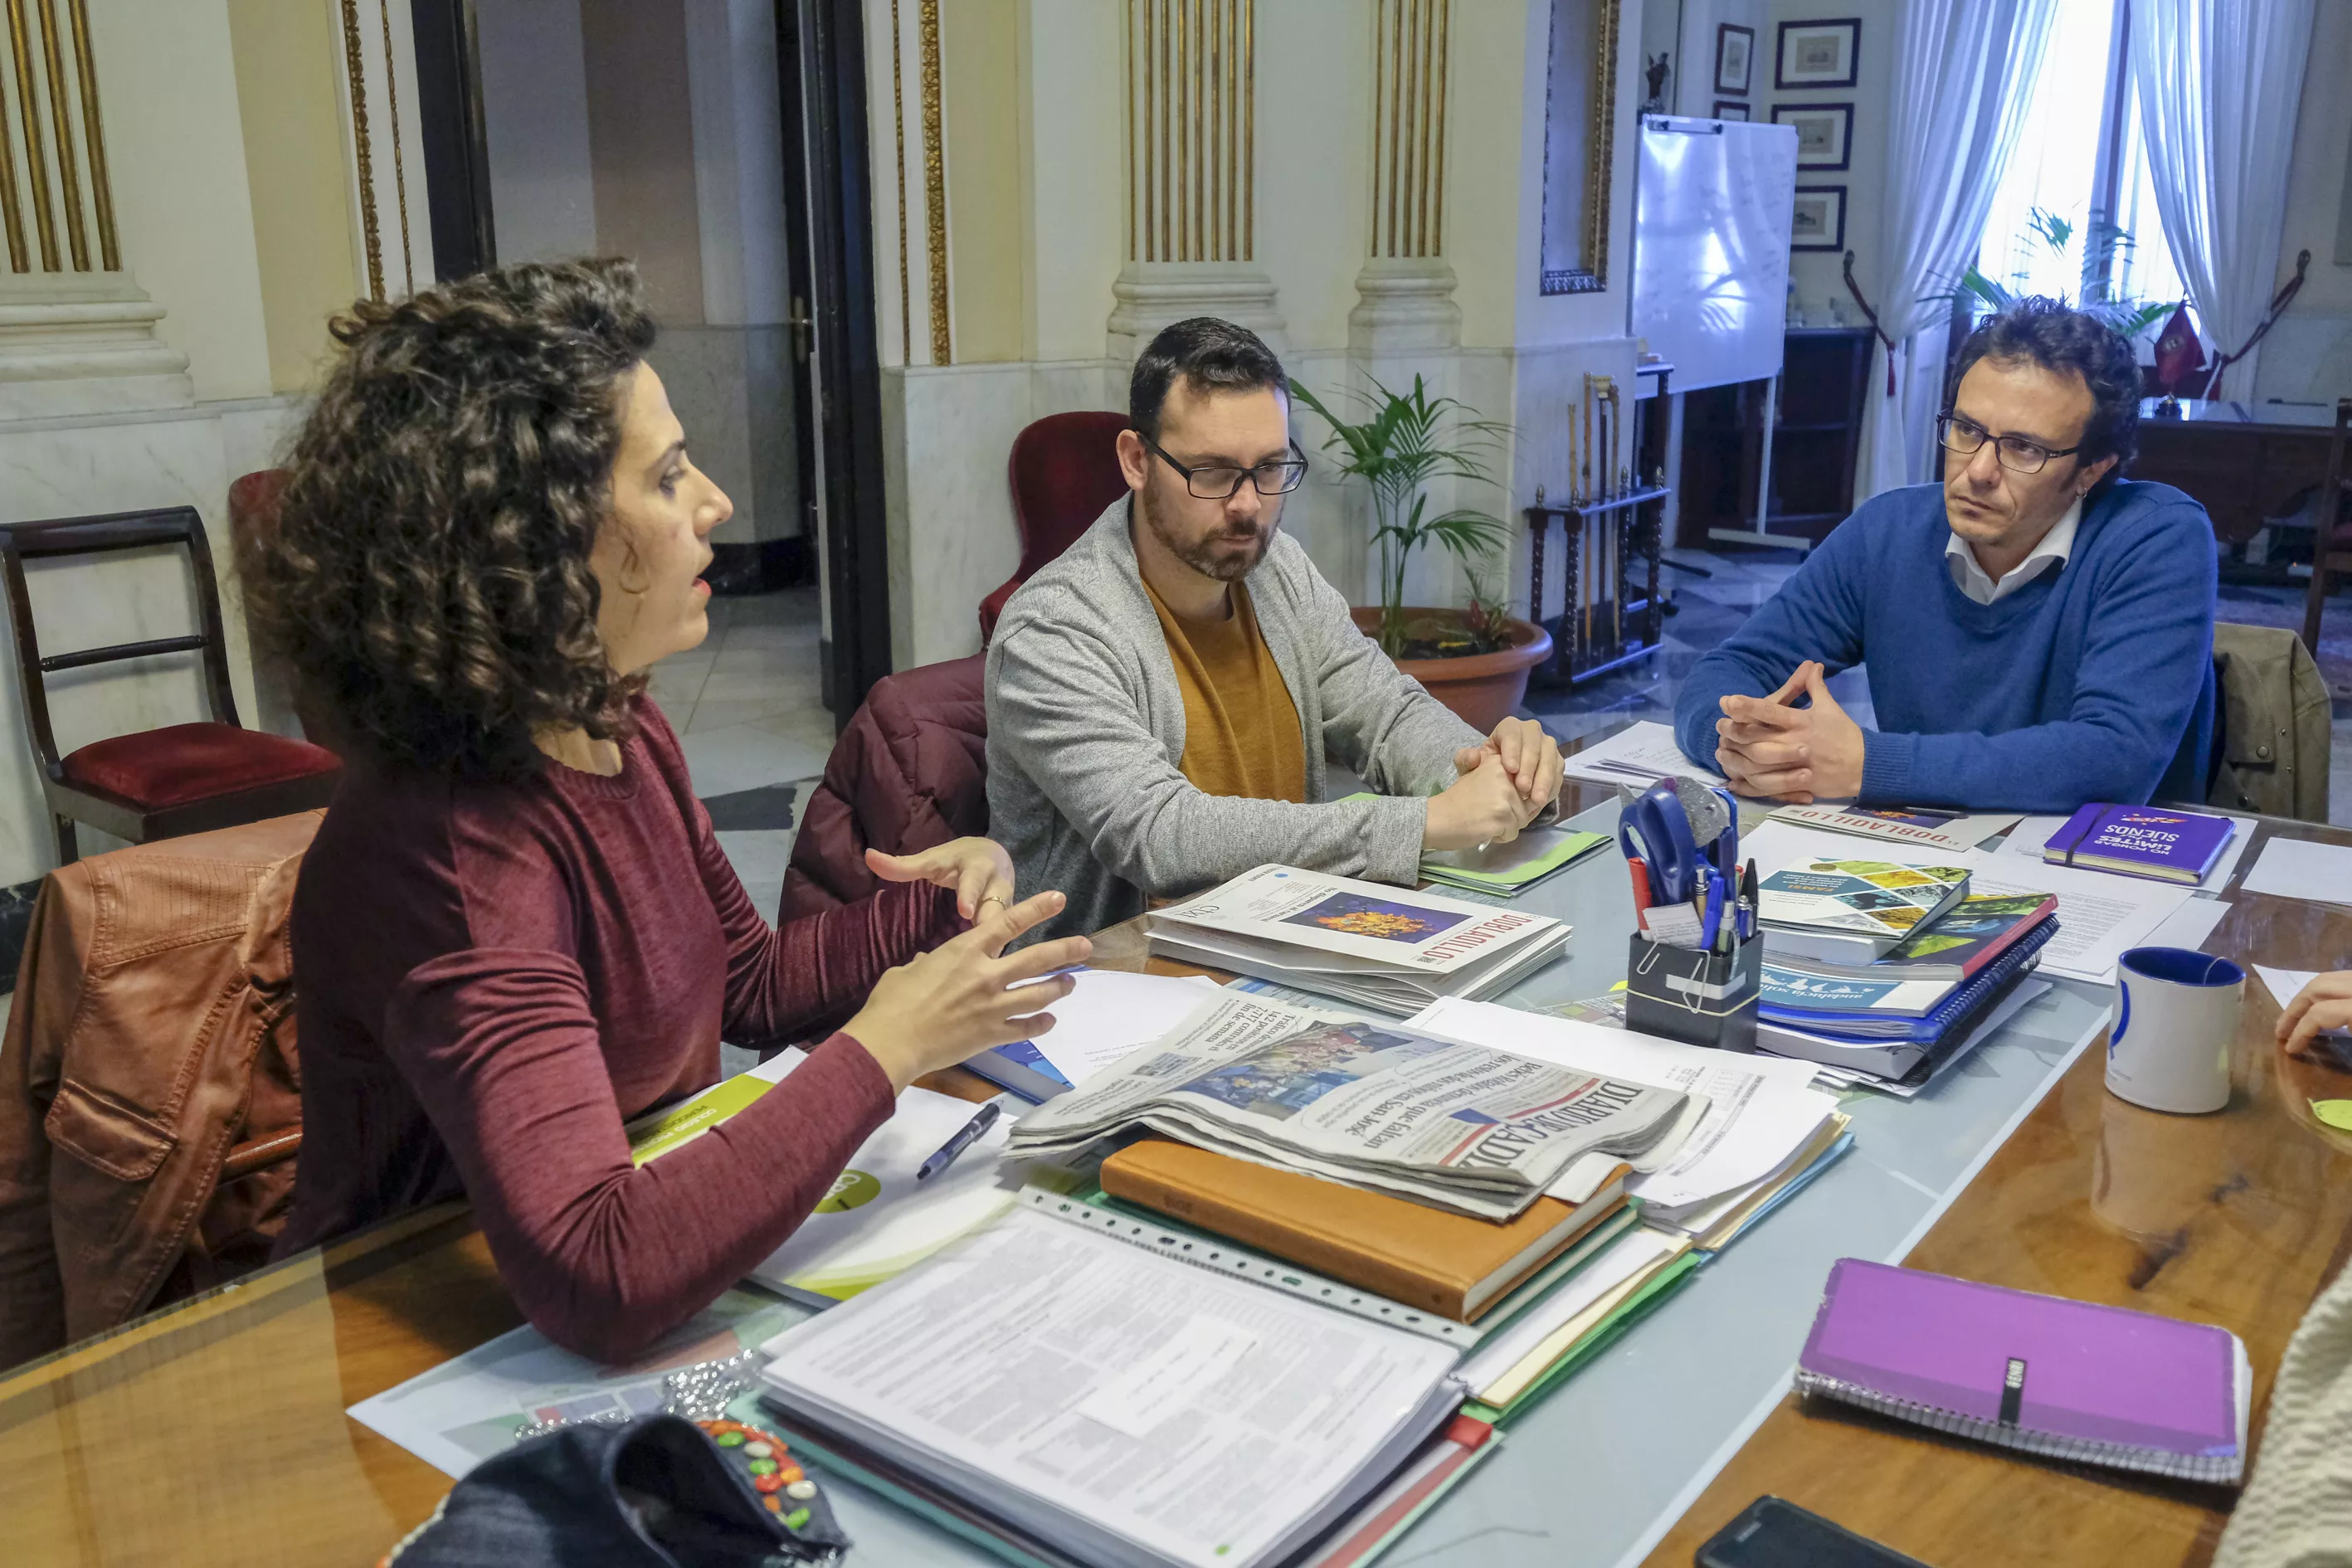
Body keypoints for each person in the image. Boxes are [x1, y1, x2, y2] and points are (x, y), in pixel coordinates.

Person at [245, 260, 1089, 1361]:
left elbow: (738, 982)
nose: (716, 505)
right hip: (418, 1339)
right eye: (669, 476)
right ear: (528, 542)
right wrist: (884, 1048)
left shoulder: (614, 719)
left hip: (594, 1284)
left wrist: (929, 917)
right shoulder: (451, 848)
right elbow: (600, 1268)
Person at [986, 317, 1564, 942]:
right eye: (1210, 472)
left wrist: (1487, 773)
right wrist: (1423, 823)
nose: (1246, 505)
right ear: (1135, 460)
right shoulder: (1053, 628)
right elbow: (1158, 834)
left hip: (1280, 943)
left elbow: (1385, 713)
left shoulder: (1276, 567)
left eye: (1269, 468)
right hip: (1106, 984)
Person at [1673, 297, 2216, 811]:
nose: (1977, 471)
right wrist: (1735, 740)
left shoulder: (2158, 537)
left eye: (2023, 448)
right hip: (1927, 855)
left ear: (2091, 470)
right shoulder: (1887, 531)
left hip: (2110, 872)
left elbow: (2115, 757)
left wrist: (1869, 764)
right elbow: (1731, 668)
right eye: (1965, 430)